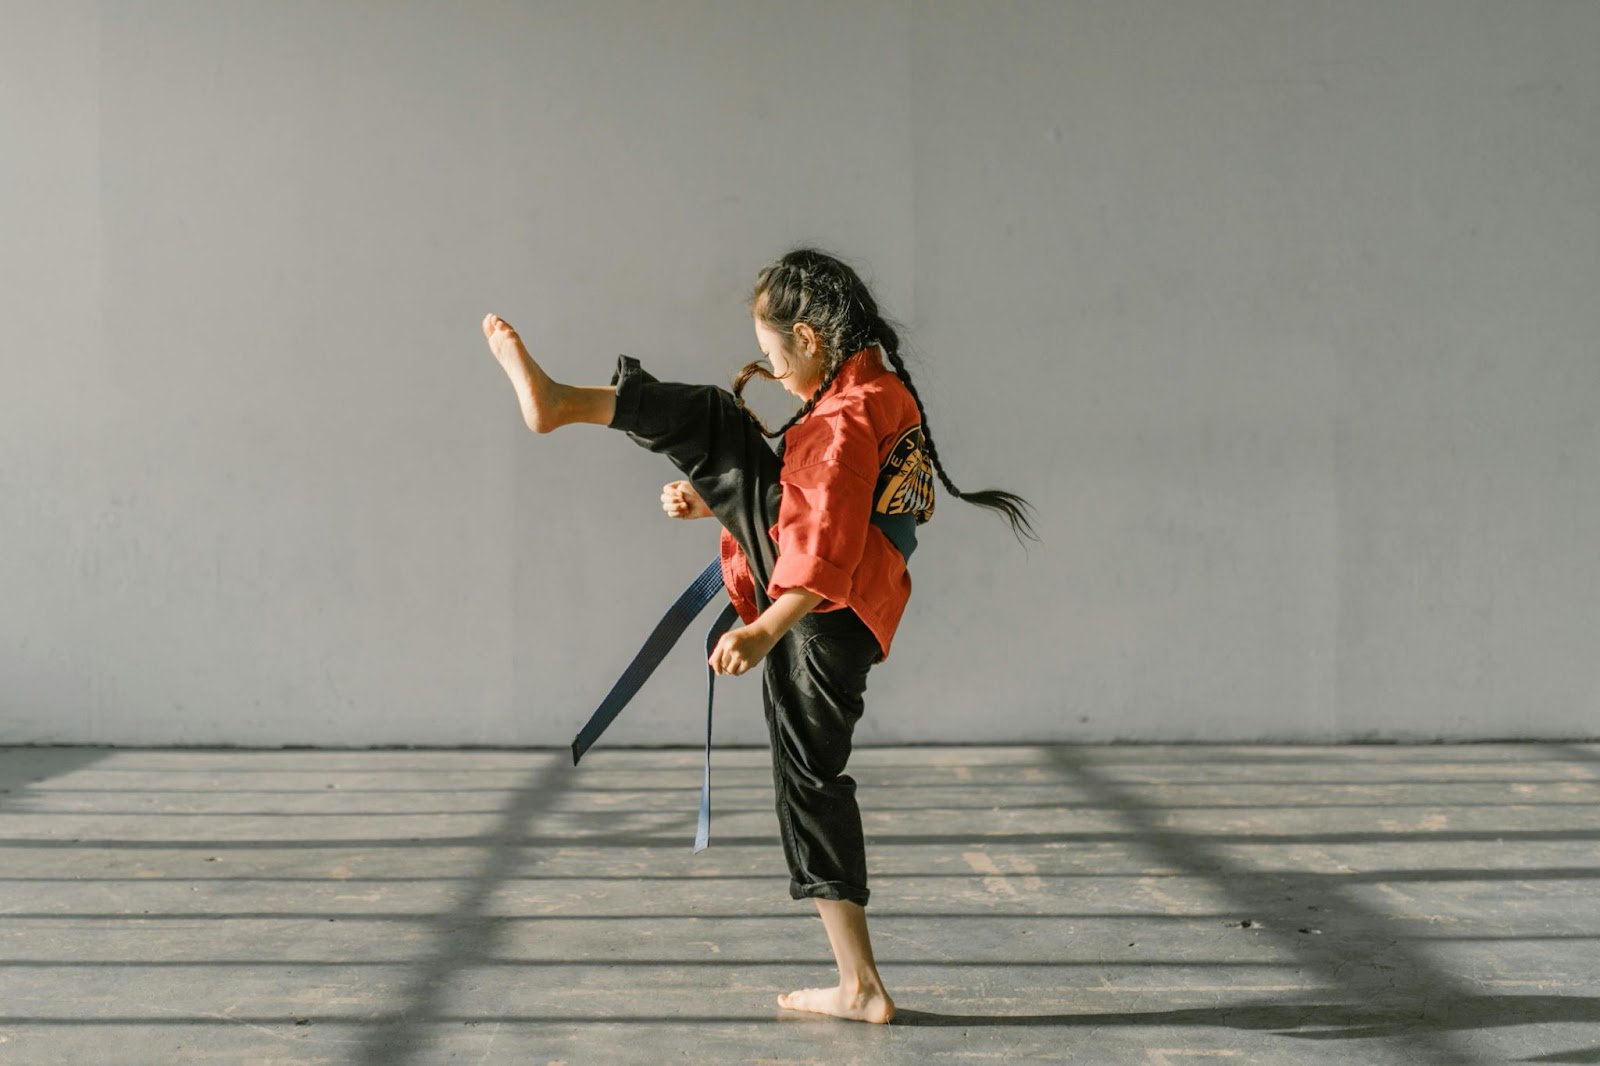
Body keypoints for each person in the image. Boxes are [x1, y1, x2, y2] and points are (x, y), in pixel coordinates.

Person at [482, 248, 1034, 1024]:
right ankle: (861, 985)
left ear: (810, 338)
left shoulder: (844, 417)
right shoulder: (873, 389)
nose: (772, 375)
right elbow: (813, 504)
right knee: (810, 780)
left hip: (819, 613)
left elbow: (828, 540)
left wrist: (767, 628)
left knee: (713, 420)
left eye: (774, 358)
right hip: (840, 614)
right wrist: (723, 506)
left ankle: (561, 403)